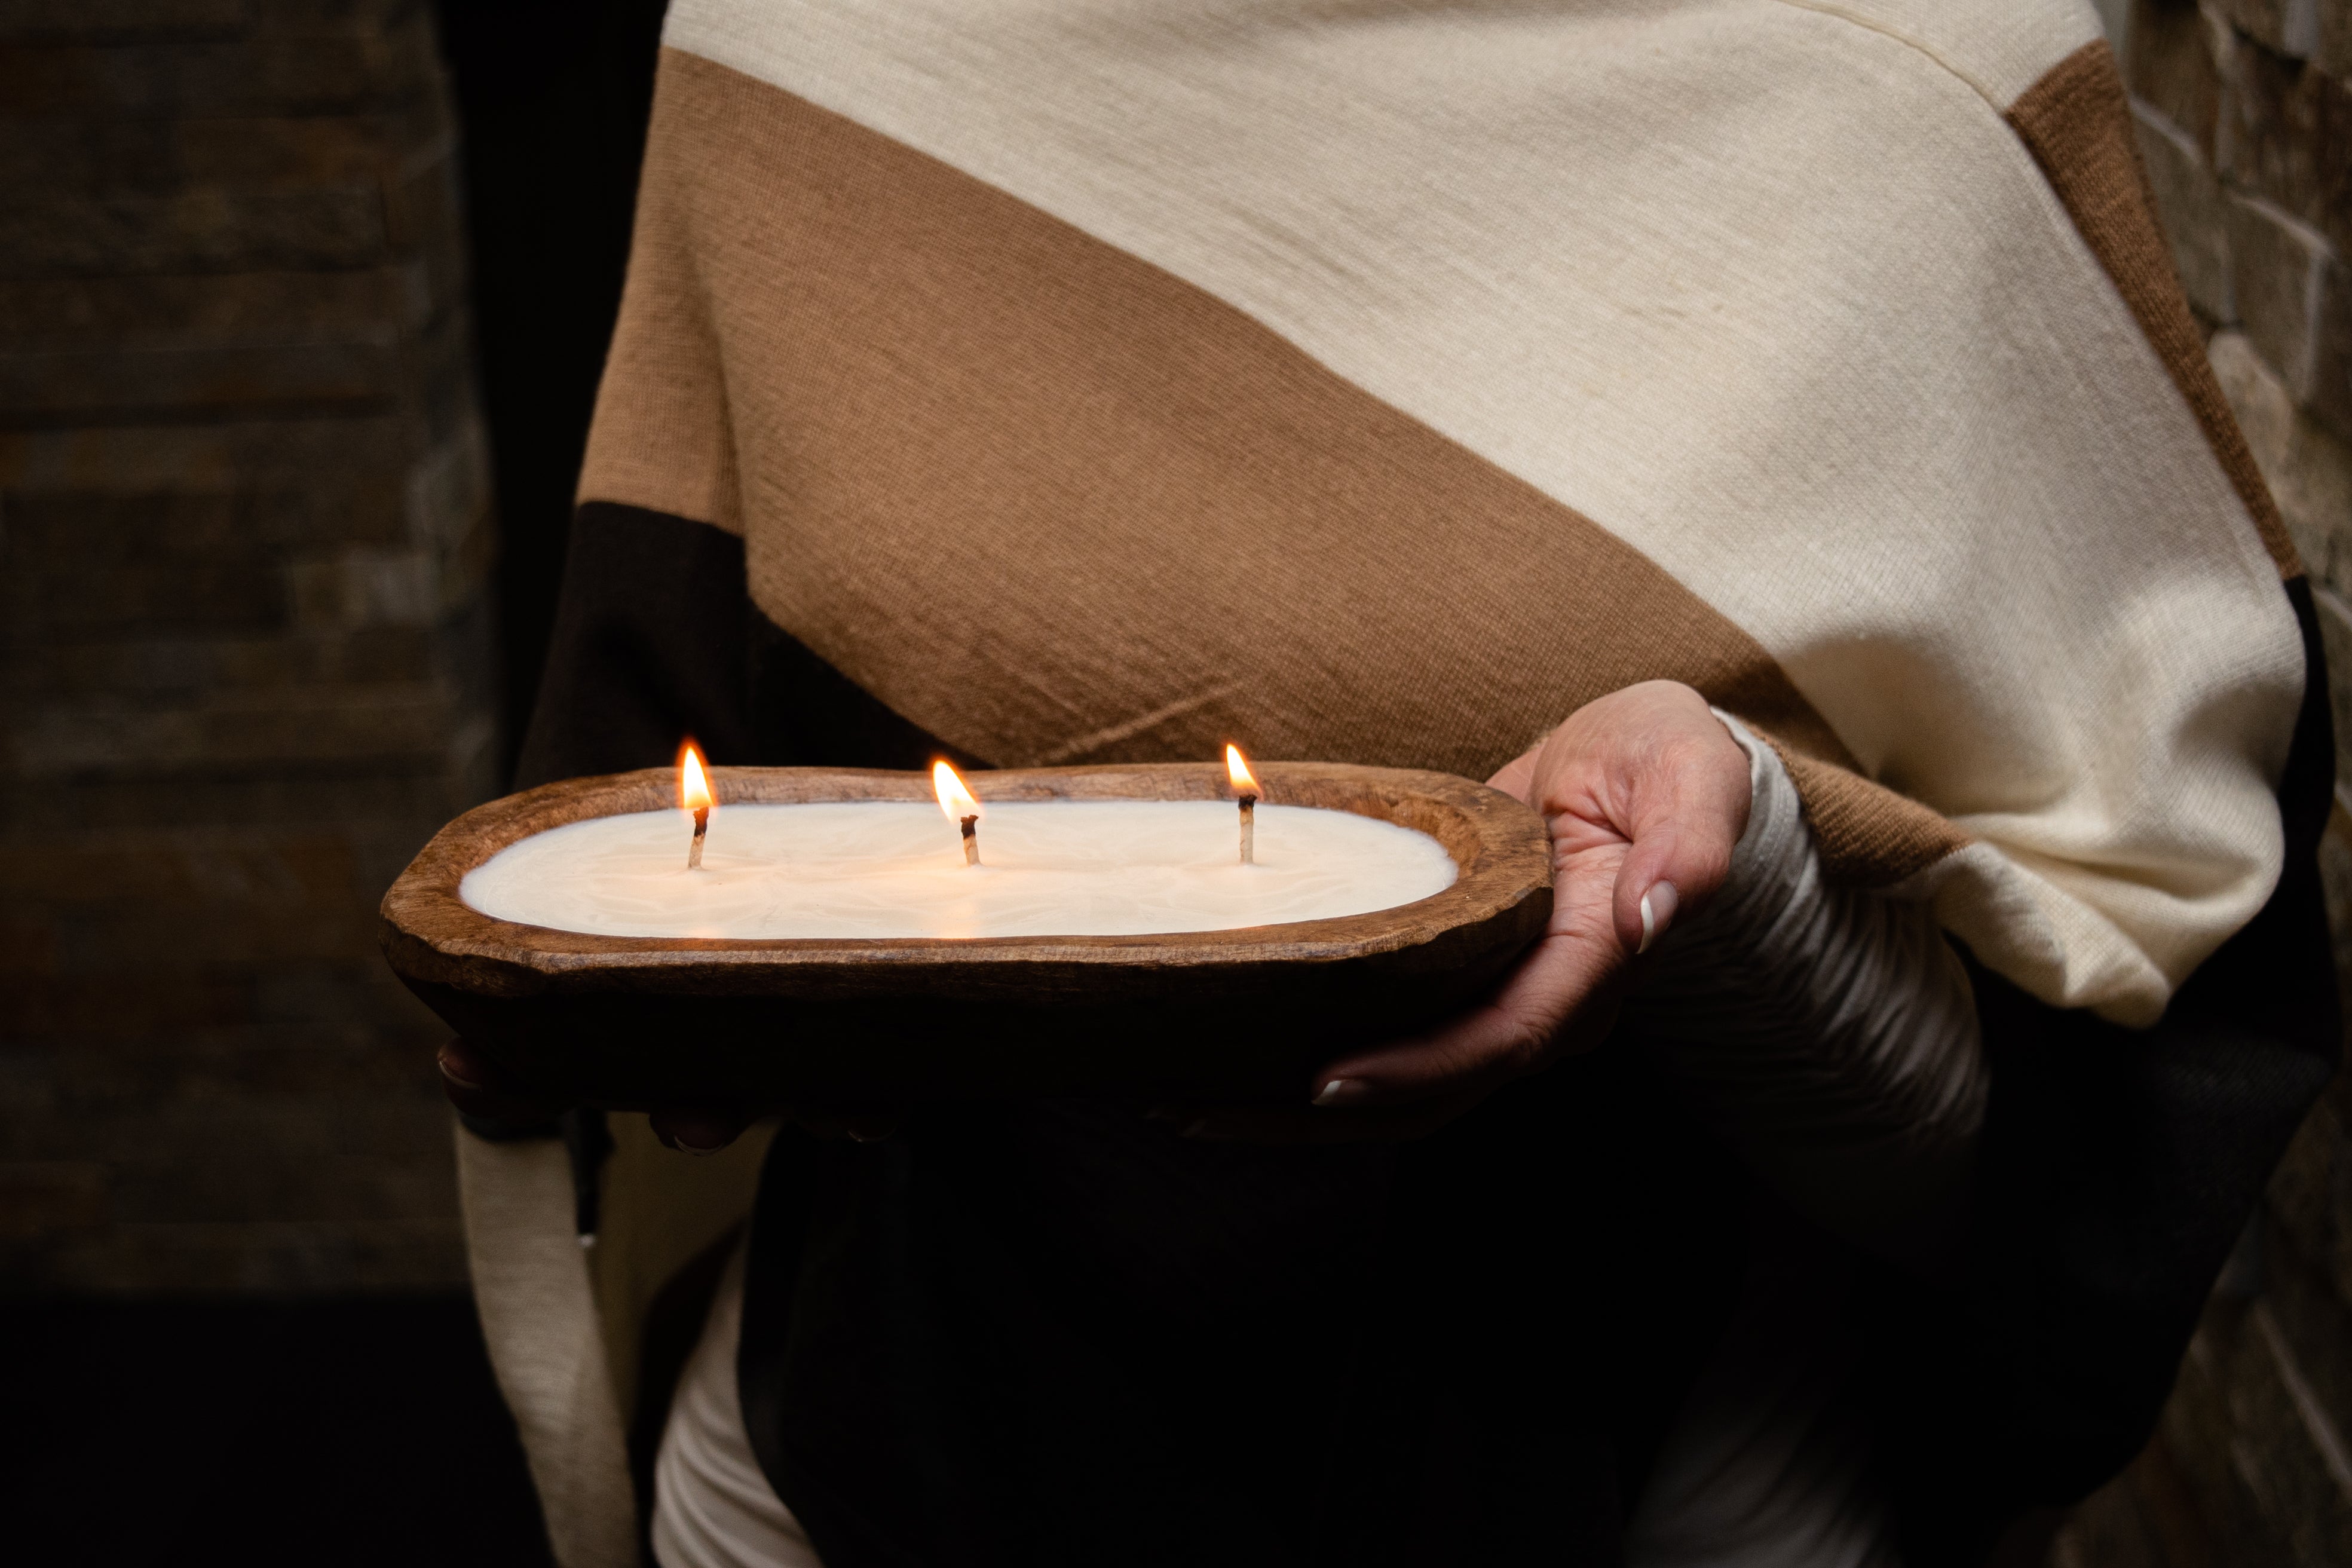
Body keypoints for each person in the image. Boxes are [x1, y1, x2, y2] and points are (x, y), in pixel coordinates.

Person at [437, 3, 2340, 1565]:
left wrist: (1733, 851)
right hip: (853, 1452)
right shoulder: (814, 45)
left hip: (1650, 1475)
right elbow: (656, 805)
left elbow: (2046, 1137)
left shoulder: (1904, 82)